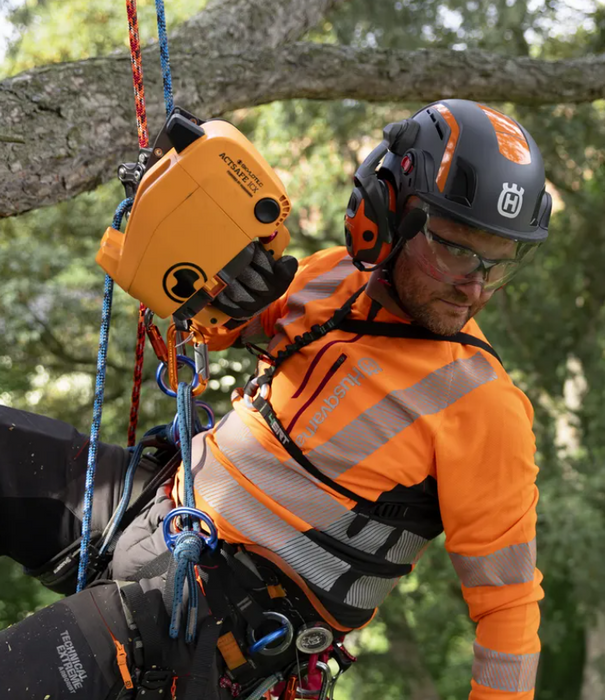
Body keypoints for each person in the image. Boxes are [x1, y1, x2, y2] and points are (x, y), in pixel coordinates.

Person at [0, 98, 550, 700]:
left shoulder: (483, 406)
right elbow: (216, 330)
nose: (474, 286)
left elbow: (508, 609)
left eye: (498, 264)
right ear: (387, 209)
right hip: (154, 505)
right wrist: (226, 288)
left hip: (209, 626)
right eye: (455, 248)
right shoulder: (332, 276)